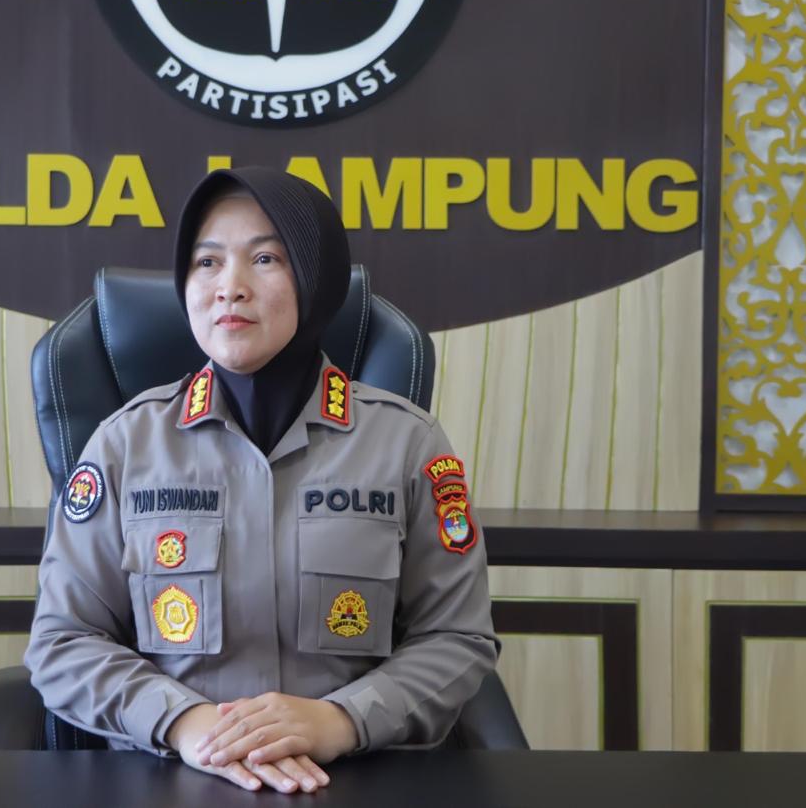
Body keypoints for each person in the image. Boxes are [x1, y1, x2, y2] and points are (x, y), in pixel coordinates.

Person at [25, 167, 498, 794]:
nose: (230, 287)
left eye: (265, 258)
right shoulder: (124, 444)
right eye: (207, 263)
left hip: (351, 776)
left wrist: (342, 720)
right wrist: (185, 723)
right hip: (168, 775)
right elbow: (62, 642)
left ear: (317, 280)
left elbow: (457, 638)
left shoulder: (407, 443)